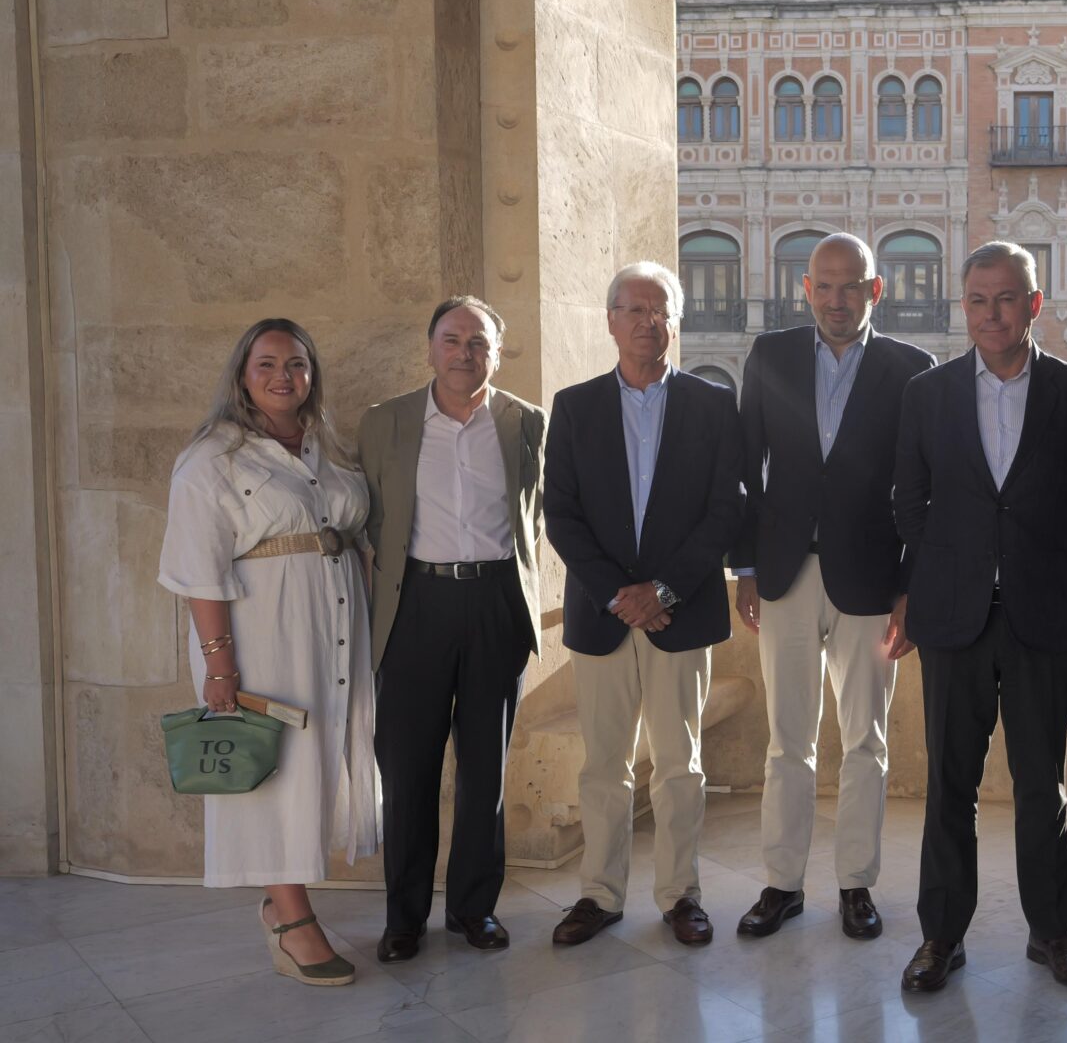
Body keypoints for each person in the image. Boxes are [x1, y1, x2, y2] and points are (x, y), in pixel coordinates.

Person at [893, 242, 1067, 993]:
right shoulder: (928, 395)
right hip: (952, 620)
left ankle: (1051, 933)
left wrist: (1053, 574)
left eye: (1007, 297)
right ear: (966, 308)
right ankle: (940, 939)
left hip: (1042, 620)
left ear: (1035, 304)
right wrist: (950, 574)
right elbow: (909, 502)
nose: (993, 313)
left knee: (1040, 785)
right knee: (949, 785)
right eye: (979, 300)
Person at [157, 318, 377, 987]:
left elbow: (352, 532)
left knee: (317, 763)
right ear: (242, 375)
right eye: (268, 364)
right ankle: (290, 920)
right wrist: (220, 664)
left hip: (335, 626)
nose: (285, 376)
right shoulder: (212, 459)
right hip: (262, 633)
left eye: (299, 364)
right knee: (274, 769)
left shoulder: (326, 449)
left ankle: (285, 900)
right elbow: (197, 568)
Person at [732, 233, 935, 941]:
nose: (837, 299)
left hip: (874, 582)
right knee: (787, 739)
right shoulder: (771, 355)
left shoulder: (913, 369)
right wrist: (747, 567)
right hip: (785, 573)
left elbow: (923, 490)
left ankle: (856, 884)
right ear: (806, 290)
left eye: (852, 286)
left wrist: (910, 588)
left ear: (875, 291)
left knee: (866, 742)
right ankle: (782, 884)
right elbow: (743, 467)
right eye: (825, 285)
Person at [545, 262, 746, 949]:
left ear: (674, 321)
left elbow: (725, 512)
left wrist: (660, 591)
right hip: (601, 618)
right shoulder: (573, 407)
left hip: (680, 614)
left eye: (659, 310)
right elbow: (561, 514)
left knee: (680, 764)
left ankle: (680, 895)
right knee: (603, 764)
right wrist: (618, 594)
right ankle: (598, 896)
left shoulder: (714, 405)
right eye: (632, 309)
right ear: (610, 321)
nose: (646, 322)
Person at [359, 296, 546, 963]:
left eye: (479, 342)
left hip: (495, 603)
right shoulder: (386, 422)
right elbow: (366, 516)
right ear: (430, 346)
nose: (465, 352)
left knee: (484, 772)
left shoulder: (525, 422)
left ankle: (474, 908)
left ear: (497, 352)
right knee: (407, 771)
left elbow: (539, 514)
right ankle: (403, 918)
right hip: (415, 606)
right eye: (452, 339)